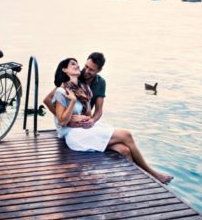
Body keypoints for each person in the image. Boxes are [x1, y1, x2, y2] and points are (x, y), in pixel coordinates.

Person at [51, 57, 173, 185]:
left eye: (77, 63)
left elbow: (88, 114)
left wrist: (86, 103)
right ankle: (152, 174)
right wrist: (73, 103)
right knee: (127, 135)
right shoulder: (61, 90)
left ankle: (134, 184)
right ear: (64, 69)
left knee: (124, 150)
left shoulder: (82, 89)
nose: (78, 66)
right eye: (72, 64)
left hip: (82, 129)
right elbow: (62, 121)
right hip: (73, 135)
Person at [44, 52, 106, 129]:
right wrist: (67, 120)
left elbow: (98, 111)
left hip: (84, 121)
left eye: (91, 70)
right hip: (70, 125)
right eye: (86, 66)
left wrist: (92, 121)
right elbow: (47, 100)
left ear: (99, 70)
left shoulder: (100, 83)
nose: (86, 71)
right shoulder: (75, 76)